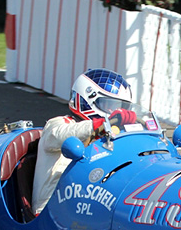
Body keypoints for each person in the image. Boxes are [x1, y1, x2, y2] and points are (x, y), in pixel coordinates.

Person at [32, 68, 138, 215]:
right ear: (88, 99)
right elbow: (63, 134)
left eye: (121, 107)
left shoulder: (106, 135)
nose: (114, 111)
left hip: (86, 206)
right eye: (109, 105)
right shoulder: (57, 124)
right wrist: (101, 123)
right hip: (50, 211)